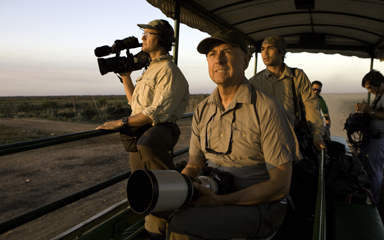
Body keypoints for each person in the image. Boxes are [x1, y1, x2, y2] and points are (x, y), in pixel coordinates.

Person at [145, 30, 300, 240]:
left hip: (260, 205)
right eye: (211, 54)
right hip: (213, 189)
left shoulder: (267, 108)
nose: (218, 59)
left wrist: (219, 201)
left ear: (245, 61)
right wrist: (175, 192)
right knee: (155, 218)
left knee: (183, 226)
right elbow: (193, 165)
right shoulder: (203, 109)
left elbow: (280, 186)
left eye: (227, 51)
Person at [96, 19, 190, 172]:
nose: (142, 38)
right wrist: (126, 77)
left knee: (149, 148)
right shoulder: (151, 69)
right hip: (141, 131)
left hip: (160, 128)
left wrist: (120, 122)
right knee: (139, 180)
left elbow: (155, 113)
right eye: (143, 33)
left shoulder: (168, 71)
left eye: (148, 34)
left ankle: (177, 185)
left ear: (162, 38)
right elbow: (135, 104)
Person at [249, 36, 326, 151]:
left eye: (270, 48)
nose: (265, 53)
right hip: (264, 140)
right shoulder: (255, 82)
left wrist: (317, 135)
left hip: (293, 137)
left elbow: (311, 106)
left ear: (281, 52)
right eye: (262, 49)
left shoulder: (297, 76)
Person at [355, 70, 384, 205]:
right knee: (368, 168)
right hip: (373, 138)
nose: (369, 91)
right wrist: (366, 111)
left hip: (379, 139)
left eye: (369, 87)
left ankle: (373, 203)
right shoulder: (382, 95)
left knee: (374, 172)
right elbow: (377, 113)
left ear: (376, 82)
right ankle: (368, 197)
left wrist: (369, 110)